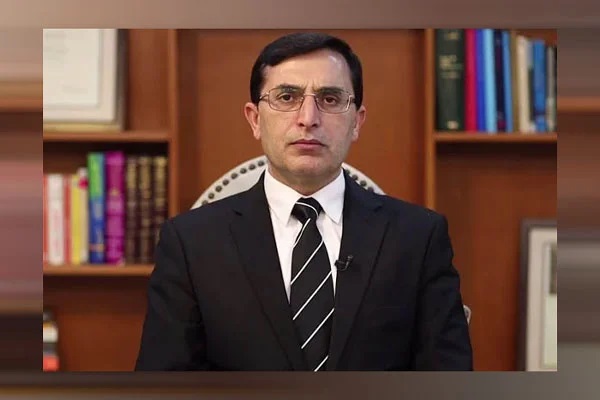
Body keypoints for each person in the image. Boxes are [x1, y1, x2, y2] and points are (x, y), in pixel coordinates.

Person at [135, 32, 473, 371]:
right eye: (286, 97)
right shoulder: (191, 243)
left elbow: (448, 381)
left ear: (357, 121)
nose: (308, 117)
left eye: (330, 99)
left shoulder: (418, 238)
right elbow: (164, 384)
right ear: (255, 119)